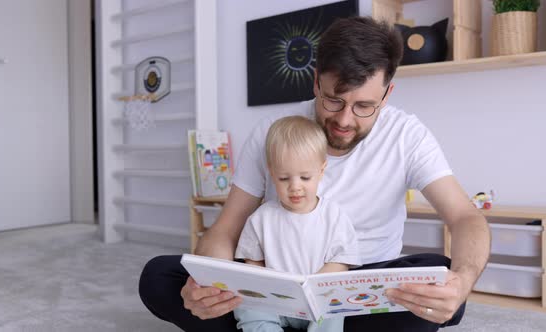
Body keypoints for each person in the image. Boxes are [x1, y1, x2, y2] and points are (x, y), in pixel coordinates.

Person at [139, 16, 491, 332]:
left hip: (360, 288)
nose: (344, 120)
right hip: (275, 283)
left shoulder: (408, 135)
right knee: (159, 277)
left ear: (387, 94)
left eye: (364, 106)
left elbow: (465, 218)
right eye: (333, 100)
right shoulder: (272, 133)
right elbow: (226, 229)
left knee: (439, 279)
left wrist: (461, 281)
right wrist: (209, 282)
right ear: (315, 83)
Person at [234, 116, 361, 332]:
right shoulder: (261, 218)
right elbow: (252, 263)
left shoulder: (334, 216)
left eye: (305, 177)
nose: (295, 187)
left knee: (337, 305)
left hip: (317, 301)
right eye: (284, 178)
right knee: (246, 304)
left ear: (321, 171)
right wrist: (264, 290)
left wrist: (313, 289)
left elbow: (342, 262)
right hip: (276, 302)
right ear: (272, 174)